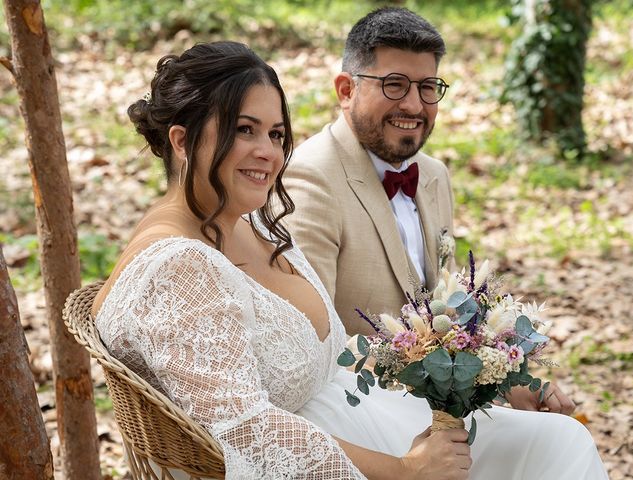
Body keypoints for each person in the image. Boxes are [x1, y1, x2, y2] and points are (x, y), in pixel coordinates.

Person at [91, 40, 474, 480]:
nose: (269, 152)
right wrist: (407, 470)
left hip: (371, 413)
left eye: (275, 134)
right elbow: (245, 431)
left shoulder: (247, 220)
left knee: (551, 440)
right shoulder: (179, 269)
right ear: (181, 141)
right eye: (244, 130)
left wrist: (458, 377)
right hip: (347, 461)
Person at [284, 7, 609, 479]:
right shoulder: (310, 178)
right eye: (394, 84)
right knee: (560, 443)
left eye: (427, 87)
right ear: (346, 89)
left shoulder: (433, 176)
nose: (414, 105)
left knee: (561, 441)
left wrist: (497, 383)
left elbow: (445, 314)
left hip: (436, 408)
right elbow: (312, 338)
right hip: (356, 414)